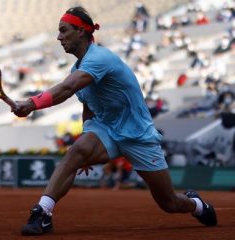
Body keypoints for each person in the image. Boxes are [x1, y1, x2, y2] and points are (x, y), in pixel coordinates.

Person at [13, 6, 217, 236]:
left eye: (64, 30)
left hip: (138, 135)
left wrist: (31, 104)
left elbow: (68, 88)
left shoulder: (100, 57)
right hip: (107, 130)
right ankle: (42, 213)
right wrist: (87, 141)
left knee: (169, 203)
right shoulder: (76, 67)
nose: (59, 37)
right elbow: (88, 108)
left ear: (81, 31)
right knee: (76, 152)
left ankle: (197, 205)